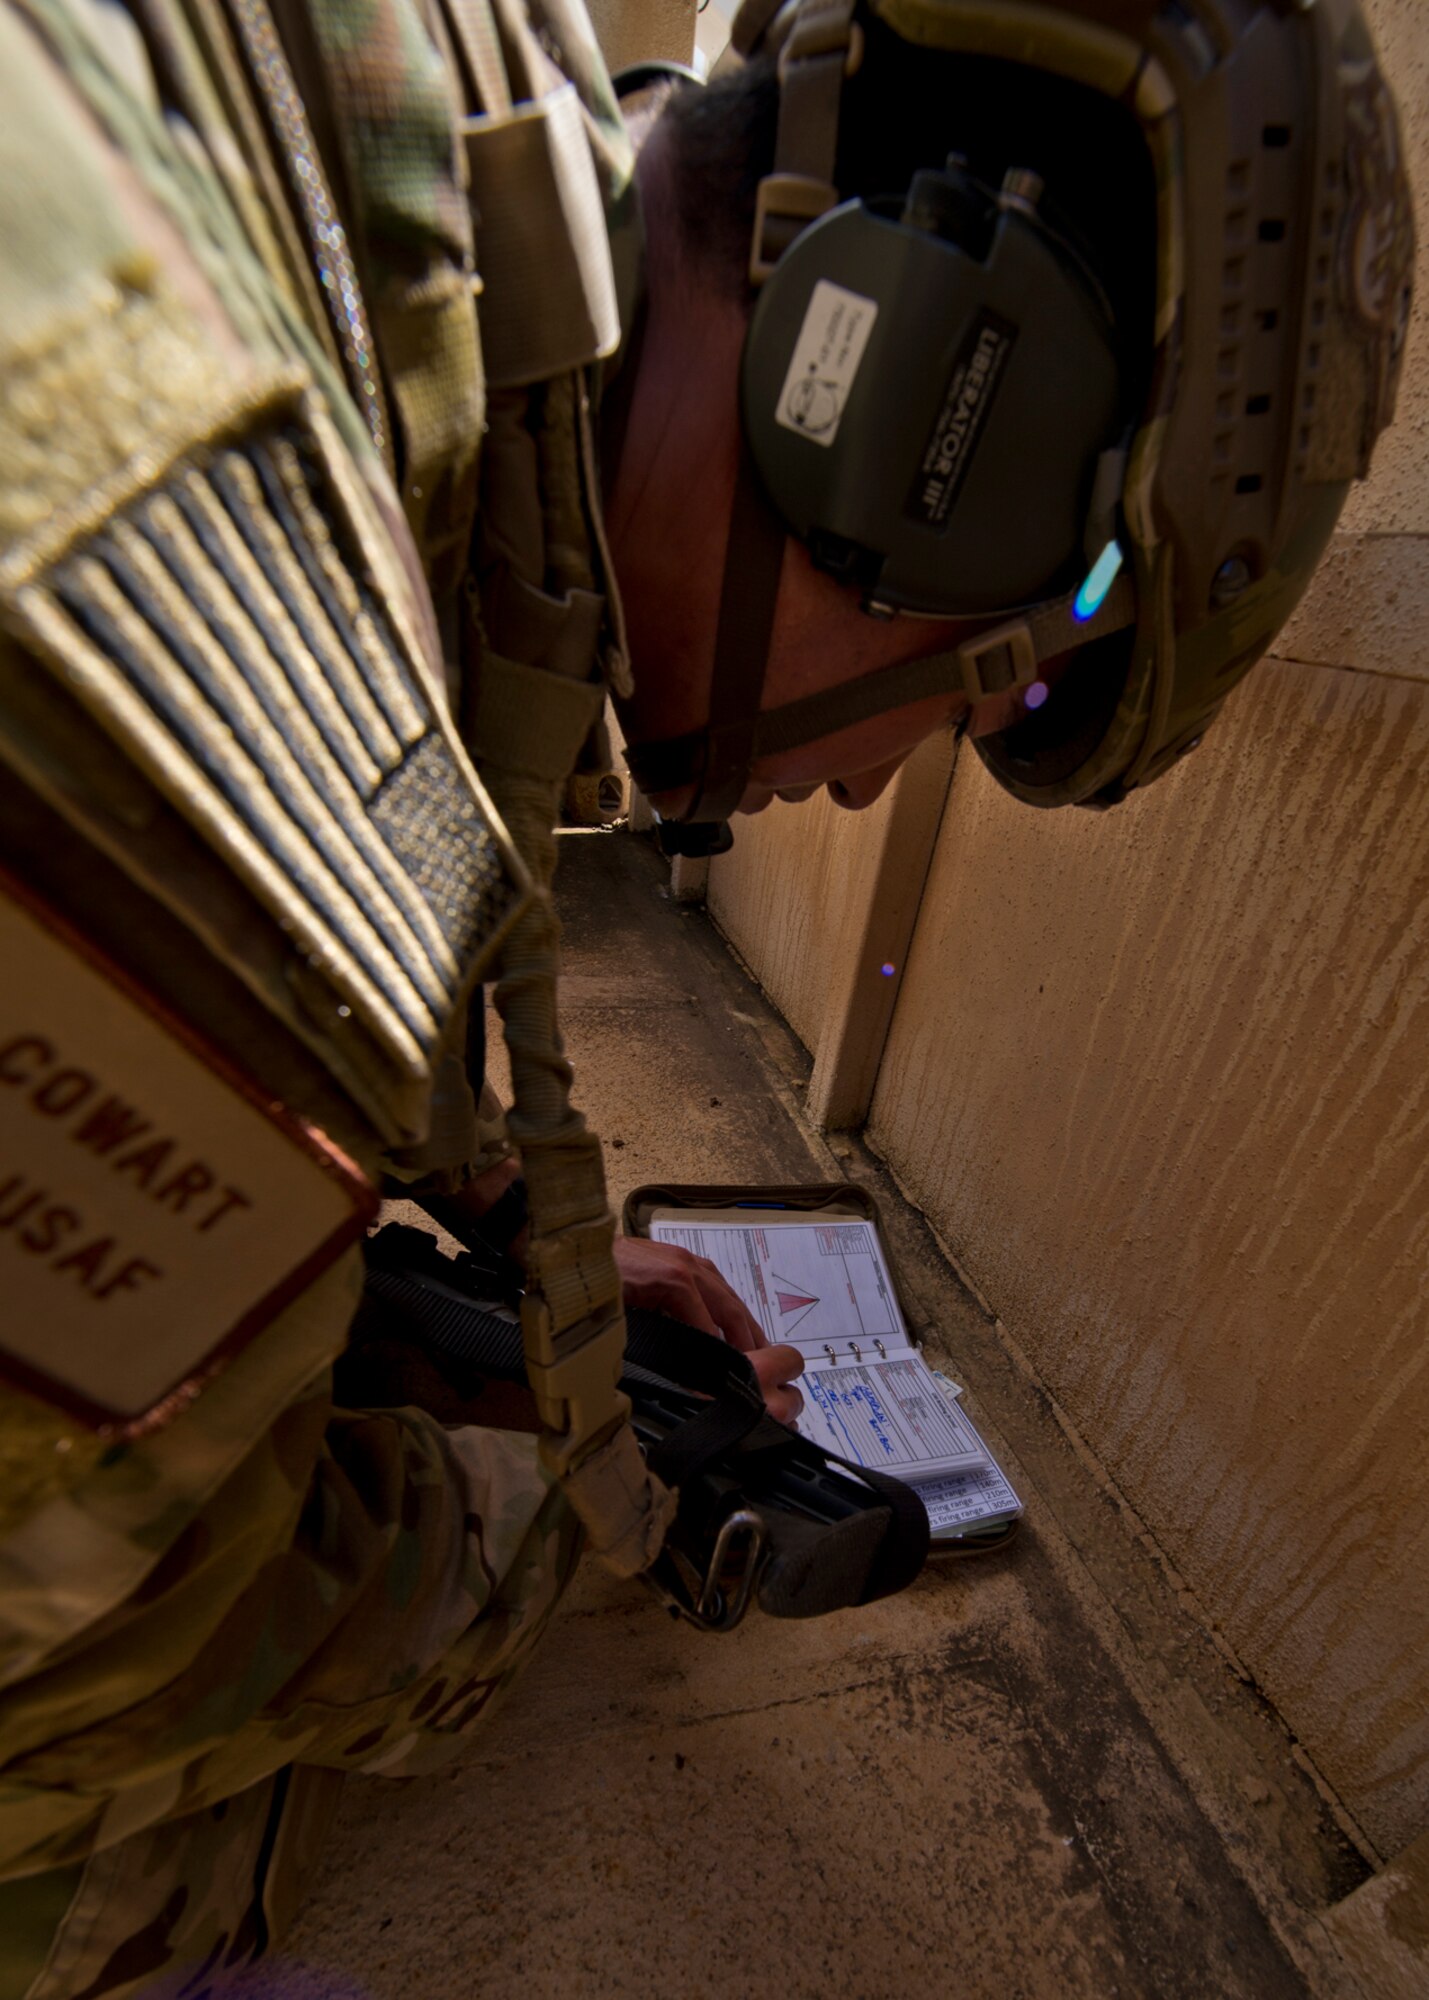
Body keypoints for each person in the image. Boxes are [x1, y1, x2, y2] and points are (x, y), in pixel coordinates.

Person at [0, 0, 1410, 1992]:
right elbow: (106, 1644)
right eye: (981, 680)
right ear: (920, 423)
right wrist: (552, 1522)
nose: (859, 773)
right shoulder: (191, 714)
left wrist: (486, 1254)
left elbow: (427, 770)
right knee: (124, 1879)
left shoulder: (454, 111)